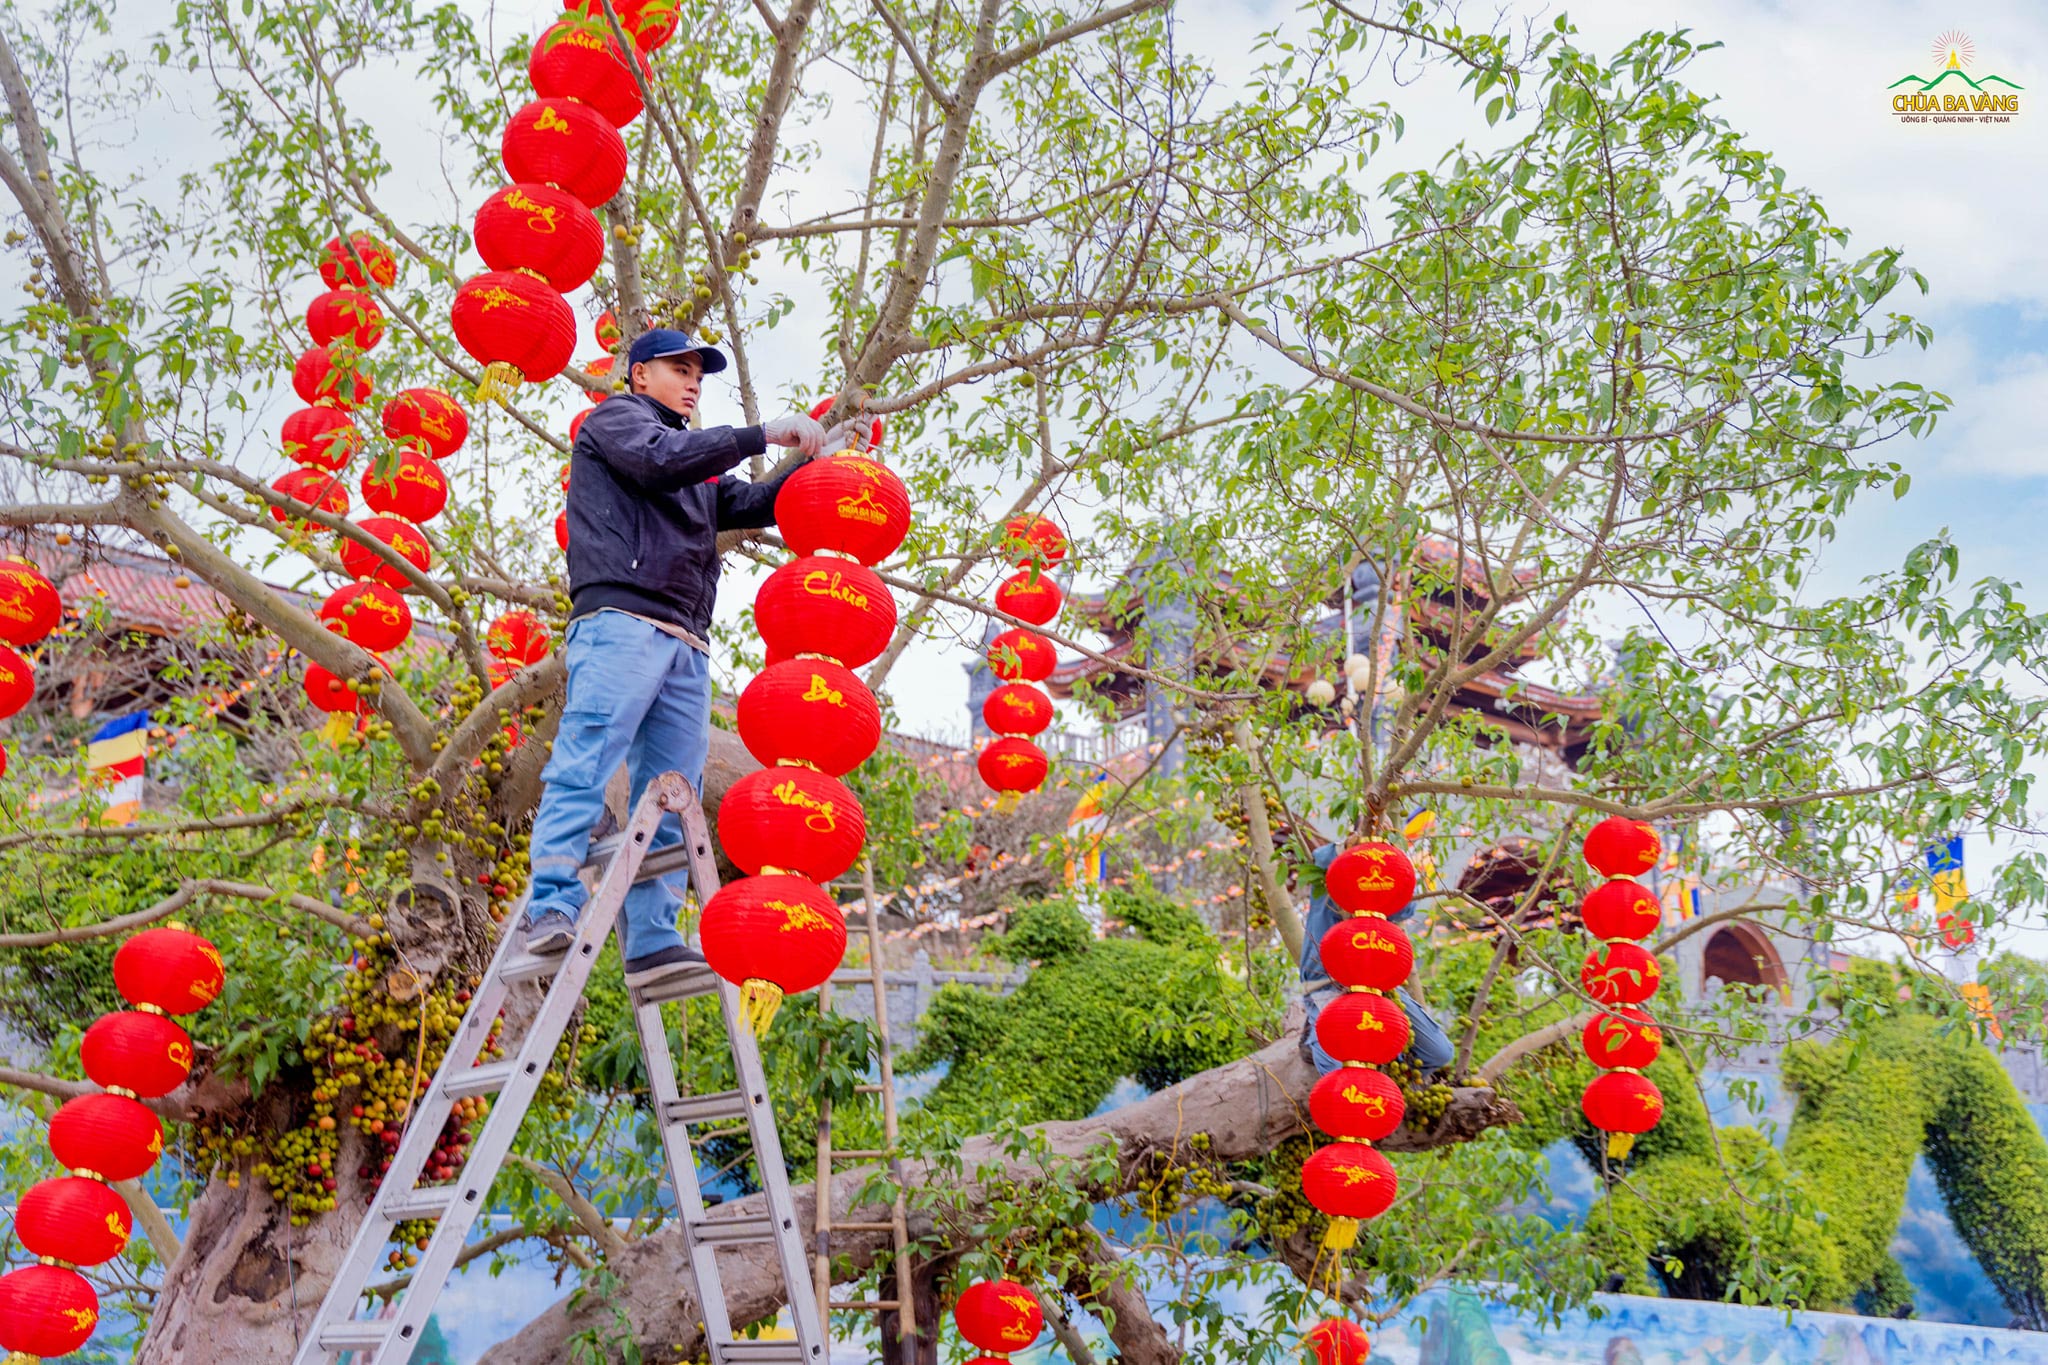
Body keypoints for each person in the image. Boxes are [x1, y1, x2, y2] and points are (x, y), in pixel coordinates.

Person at [519, 327, 852, 988]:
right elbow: (657, 462)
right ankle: (551, 903)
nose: (693, 379)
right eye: (679, 367)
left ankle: (650, 933)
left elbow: (755, 504)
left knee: (674, 791)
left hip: (686, 640)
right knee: (587, 755)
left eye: (699, 371)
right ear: (638, 375)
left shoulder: (694, 467)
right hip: (622, 620)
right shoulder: (617, 422)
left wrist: (819, 466)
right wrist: (762, 434)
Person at [1298, 841, 1455, 1077]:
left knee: (1439, 1053)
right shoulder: (1336, 876)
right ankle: (1315, 1033)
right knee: (1336, 1071)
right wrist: (1350, 845)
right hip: (1328, 984)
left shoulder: (1383, 895)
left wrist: (1394, 861)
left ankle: (1390, 1089)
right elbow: (1321, 857)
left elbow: (1404, 908)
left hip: (1378, 989)